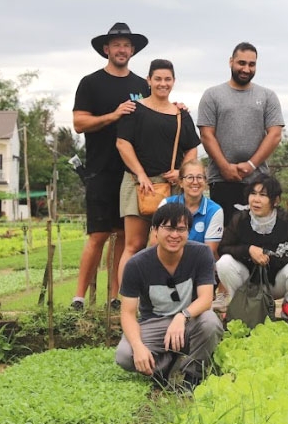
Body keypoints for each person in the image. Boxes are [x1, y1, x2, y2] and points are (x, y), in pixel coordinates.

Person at [71, 22, 151, 312]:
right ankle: (78, 297)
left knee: (125, 237)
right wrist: (113, 115)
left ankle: (116, 297)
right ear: (106, 49)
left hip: (131, 172)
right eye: (116, 44)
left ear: (133, 50)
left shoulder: (142, 86)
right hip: (100, 169)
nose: (121, 50)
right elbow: (79, 123)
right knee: (98, 235)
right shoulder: (91, 83)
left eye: (126, 45)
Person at [115, 201, 223, 390]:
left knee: (210, 322)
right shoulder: (136, 264)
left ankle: (192, 375)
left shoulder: (201, 253)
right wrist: (138, 346)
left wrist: (182, 316)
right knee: (125, 355)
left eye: (181, 229)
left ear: (188, 231)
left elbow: (206, 299)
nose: (174, 235)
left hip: (190, 321)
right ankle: (167, 364)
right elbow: (128, 313)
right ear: (155, 230)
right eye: (169, 228)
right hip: (154, 324)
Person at [115, 59, 201, 291]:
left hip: (170, 187)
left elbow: (192, 147)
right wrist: (141, 174)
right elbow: (123, 143)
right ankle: (127, 298)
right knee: (133, 244)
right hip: (137, 183)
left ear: (173, 82)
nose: (163, 84)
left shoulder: (181, 114)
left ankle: (161, 296)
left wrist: (181, 172)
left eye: (168, 79)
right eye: (158, 79)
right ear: (149, 81)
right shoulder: (134, 109)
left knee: (166, 243)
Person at [197, 42, 285, 215]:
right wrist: (225, 167)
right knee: (224, 236)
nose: (246, 69)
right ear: (231, 62)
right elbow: (206, 135)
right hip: (221, 180)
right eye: (241, 63)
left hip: (257, 181)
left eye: (251, 64)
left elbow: (275, 134)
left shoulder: (267, 96)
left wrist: (251, 165)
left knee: (256, 235)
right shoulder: (212, 95)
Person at [215, 175, 288, 321]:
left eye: (263, 195)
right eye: (253, 194)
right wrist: (249, 250)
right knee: (224, 263)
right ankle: (238, 306)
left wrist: (266, 257)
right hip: (248, 283)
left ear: (276, 200)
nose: (256, 199)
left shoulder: (287, 221)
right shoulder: (240, 219)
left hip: (275, 282)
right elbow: (223, 248)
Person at [157, 158, 224, 257]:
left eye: (200, 177)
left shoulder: (215, 210)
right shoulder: (166, 204)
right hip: (169, 260)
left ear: (205, 181)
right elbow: (156, 242)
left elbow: (208, 251)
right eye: (190, 177)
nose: (195, 182)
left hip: (199, 263)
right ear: (180, 182)